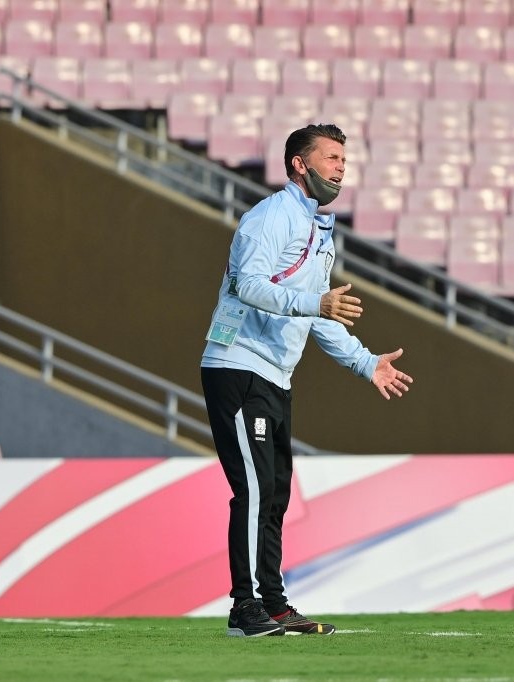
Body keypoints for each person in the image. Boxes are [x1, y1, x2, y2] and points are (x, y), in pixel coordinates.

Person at [200, 123, 414, 638]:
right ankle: (244, 609)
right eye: (332, 157)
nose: (342, 166)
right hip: (237, 363)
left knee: (274, 493)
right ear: (300, 163)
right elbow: (248, 284)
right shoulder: (272, 216)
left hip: (274, 374)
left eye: (345, 158)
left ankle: (273, 605)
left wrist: (366, 362)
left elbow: (316, 316)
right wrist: (314, 302)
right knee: (253, 490)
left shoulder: (317, 230)